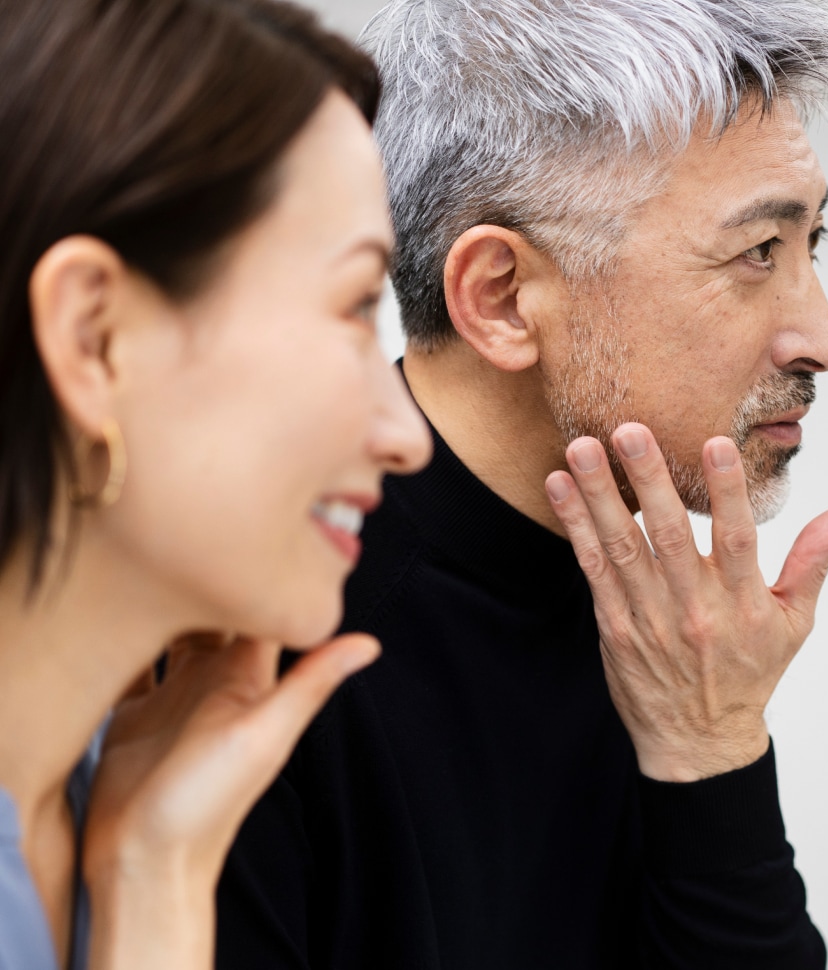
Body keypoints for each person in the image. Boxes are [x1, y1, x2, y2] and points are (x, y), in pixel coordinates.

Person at [216, 1, 828, 967]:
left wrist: (714, 751)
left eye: (813, 243)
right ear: (502, 299)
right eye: (757, 252)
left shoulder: (680, 638)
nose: (824, 338)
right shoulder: (253, 646)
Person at [0, 0, 431, 967]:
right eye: (354, 306)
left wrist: (157, 879)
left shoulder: (95, 814)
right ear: (94, 338)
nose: (407, 437)